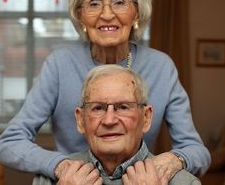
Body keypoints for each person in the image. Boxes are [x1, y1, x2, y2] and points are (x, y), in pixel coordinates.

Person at [0, 0, 210, 181]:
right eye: (94, 3)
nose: (107, 14)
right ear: (80, 16)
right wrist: (61, 165)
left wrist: (175, 159)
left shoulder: (161, 67)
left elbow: (197, 151)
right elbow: (9, 143)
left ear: (136, 12)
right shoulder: (59, 65)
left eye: (119, 2)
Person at [33, 65, 201, 185]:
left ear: (146, 118)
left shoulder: (183, 181)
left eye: (123, 107)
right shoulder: (52, 179)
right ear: (80, 120)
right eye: (98, 108)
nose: (109, 120)